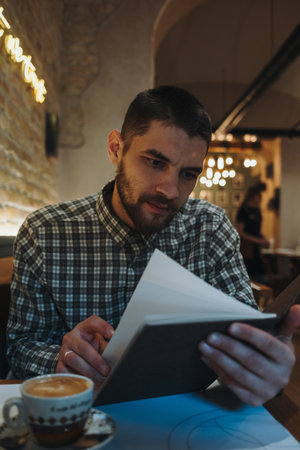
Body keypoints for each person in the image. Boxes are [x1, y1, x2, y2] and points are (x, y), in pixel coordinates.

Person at [7, 86, 300, 407]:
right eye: (155, 162)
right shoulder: (46, 232)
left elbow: (245, 336)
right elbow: (21, 346)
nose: (170, 190)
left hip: (188, 415)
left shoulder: (210, 229)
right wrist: (62, 360)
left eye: (188, 174)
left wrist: (264, 361)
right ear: (116, 149)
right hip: (82, 417)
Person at [236, 183, 270, 283]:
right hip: (246, 249)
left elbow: (257, 230)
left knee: (261, 276)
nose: (259, 198)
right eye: (257, 196)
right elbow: (240, 232)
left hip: (256, 249)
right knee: (248, 276)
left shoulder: (257, 210)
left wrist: (264, 239)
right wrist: (258, 240)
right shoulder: (243, 210)